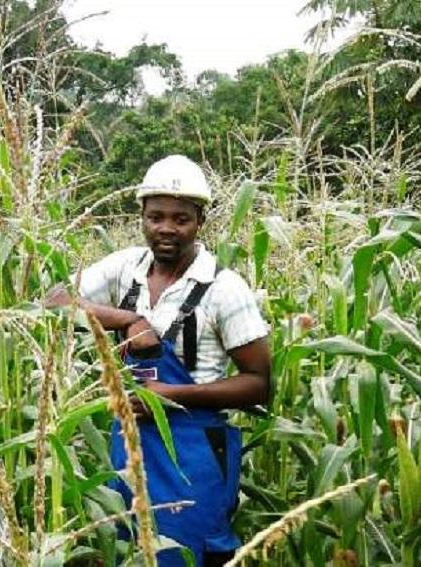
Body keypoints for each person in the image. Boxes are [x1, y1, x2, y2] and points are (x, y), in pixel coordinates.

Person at [47, 154, 271, 567]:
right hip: (130, 446)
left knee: (186, 554)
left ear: (199, 220)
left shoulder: (223, 288)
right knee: (130, 551)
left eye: (180, 219)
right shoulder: (125, 269)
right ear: (143, 217)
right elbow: (54, 302)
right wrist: (129, 318)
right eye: (156, 217)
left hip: (194, 452)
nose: (166, 229)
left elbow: (258, 383)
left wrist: (170, 395)